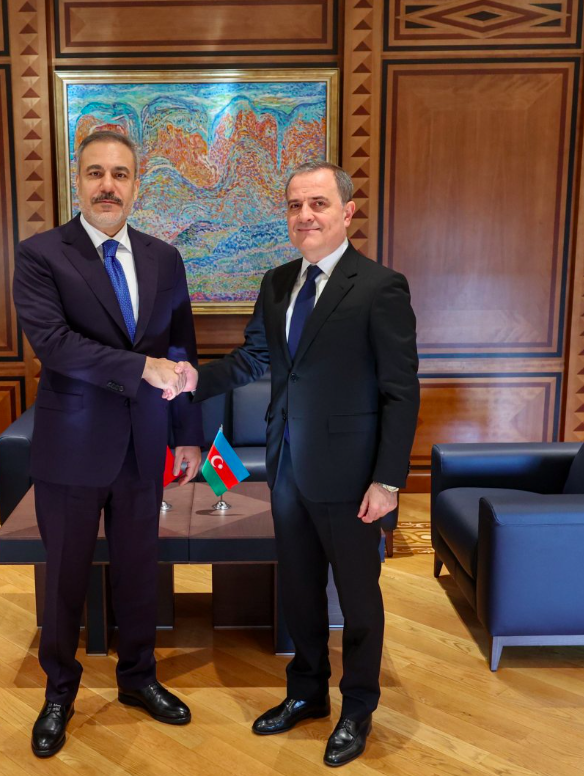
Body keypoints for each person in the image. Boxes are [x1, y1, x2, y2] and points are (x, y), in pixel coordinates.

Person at [176, 160, 419, 766]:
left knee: (358, 601)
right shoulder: (278, 281)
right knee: (301, 593)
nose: (305, 215)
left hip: (354, 479)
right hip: (287, 468)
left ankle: (357, 707)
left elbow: (401, 392)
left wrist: (388, 481)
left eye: (318, 204)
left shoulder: (381, 287)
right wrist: (189, 382)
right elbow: (253, 359)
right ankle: (307, 693)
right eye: (294, 206)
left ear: (347, 212)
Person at [12, 130, 204, 758]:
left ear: (136, 184)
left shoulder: (164, 257)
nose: (107, 186)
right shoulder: (41, 254)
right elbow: (54, 345)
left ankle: (138, 678)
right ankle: (59, 692)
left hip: (145, 444)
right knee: (65, 577)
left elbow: (181, 348)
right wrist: (141, 368)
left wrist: (188, 435)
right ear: (77, 180)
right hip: (71, 446)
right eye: (95, 173)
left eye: (120, 174)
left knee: (139, 571)